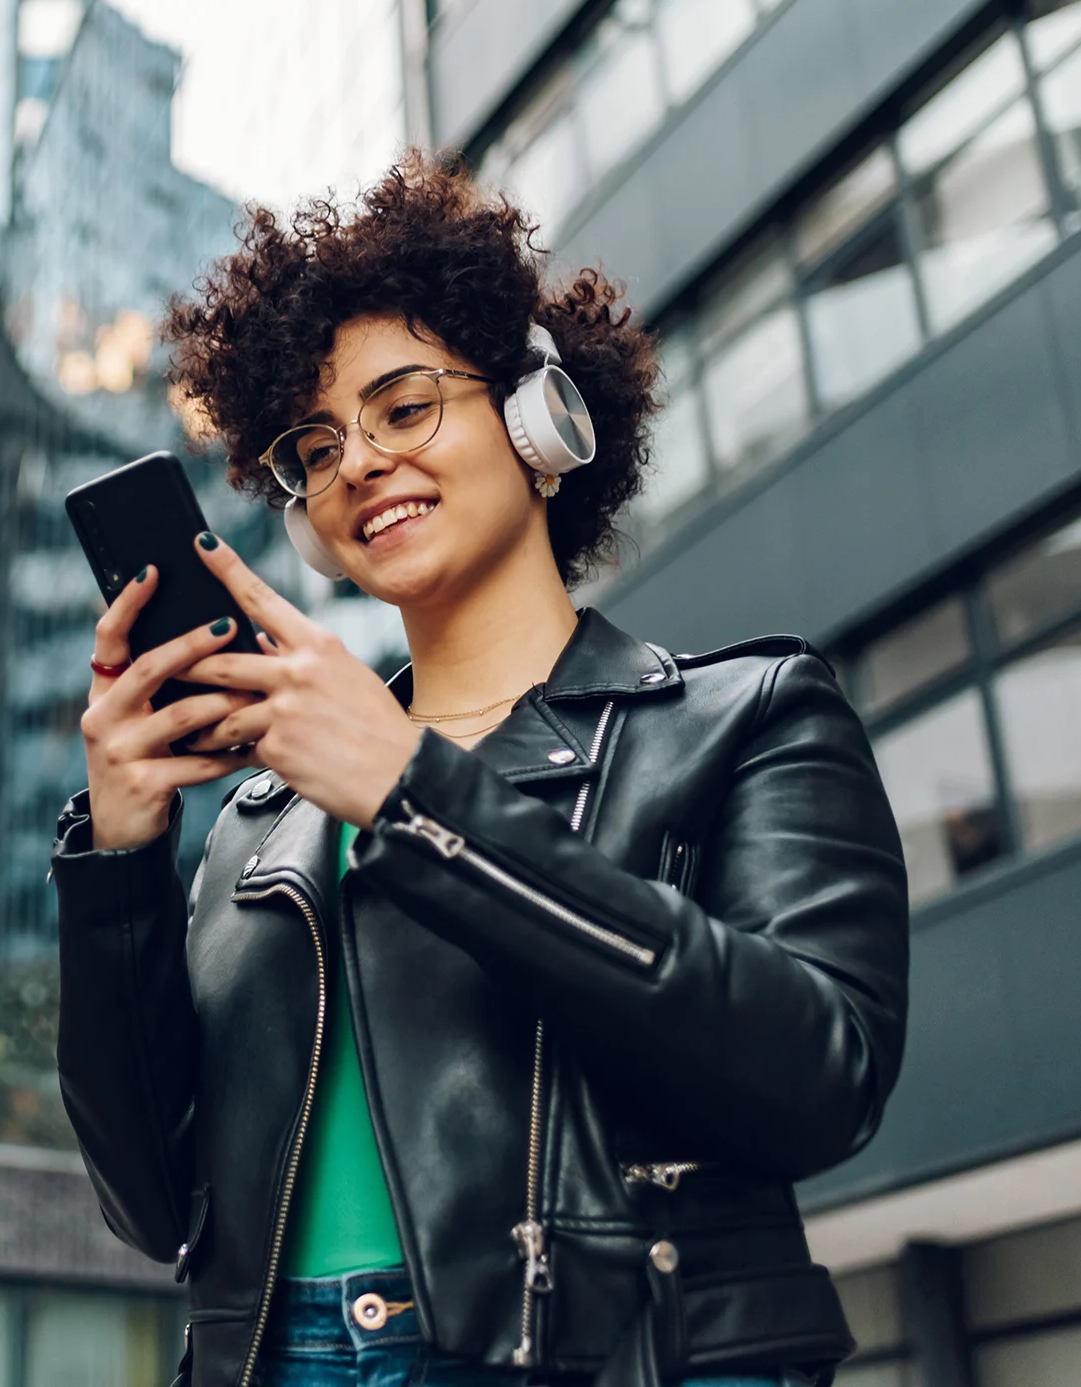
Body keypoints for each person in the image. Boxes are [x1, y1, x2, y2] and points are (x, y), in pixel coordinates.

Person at [52, 157, 909, 1387]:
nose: (357, 464)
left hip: (600, 1355)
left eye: (405, 408)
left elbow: (820, 1082)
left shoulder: (746, 720)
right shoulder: (262, 819)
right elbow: (151, 1206)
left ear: (537, 417)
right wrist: (122, 866)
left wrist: (414, 795)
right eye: (317, 446)